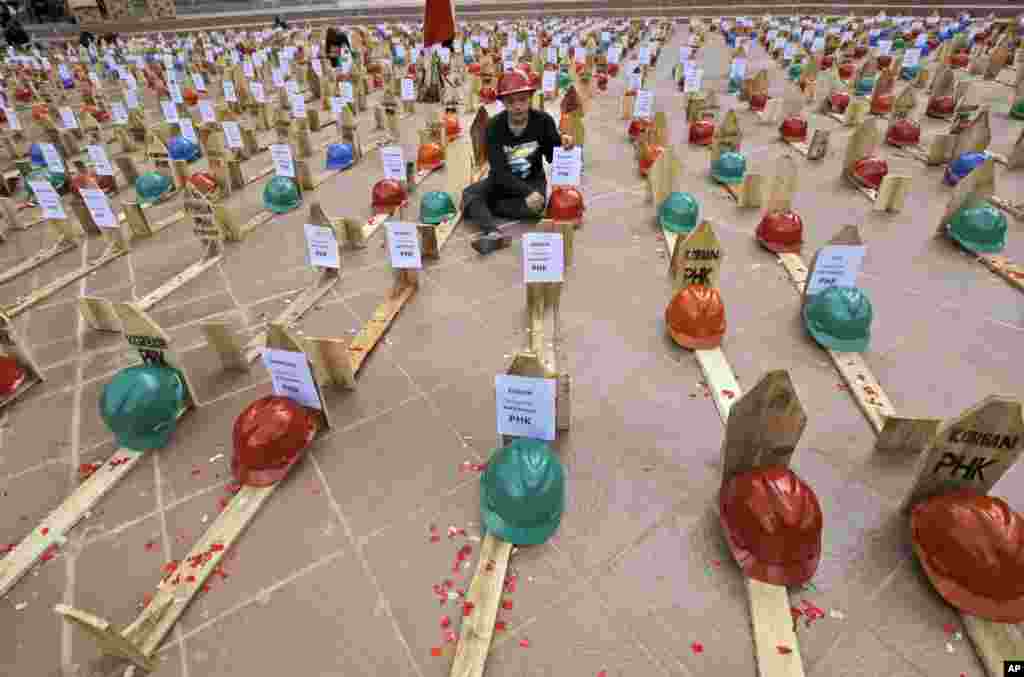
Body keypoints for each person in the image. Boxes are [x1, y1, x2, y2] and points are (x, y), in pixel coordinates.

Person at [462, 69, 574, 255]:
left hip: (532, 180)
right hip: (502, 181)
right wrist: (526, 193)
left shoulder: (543, 121)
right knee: (469, 194)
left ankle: (488, 207)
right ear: (503, 103)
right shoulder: (494, 126)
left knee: (534, 208)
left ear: (530, 98)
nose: (518, 106)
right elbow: (498, 171)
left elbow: (552, 155)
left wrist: (563, 142)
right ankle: (493, 233)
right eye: (511, 101)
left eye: (522, 99)